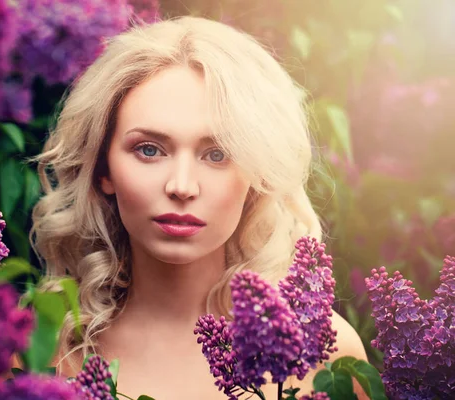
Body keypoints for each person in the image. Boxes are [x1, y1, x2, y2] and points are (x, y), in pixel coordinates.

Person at [29, 16, 368, 400]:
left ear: (257, 174)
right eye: (149, 150)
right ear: (103, 168)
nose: (181, 186)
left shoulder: (328, 354)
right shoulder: (40, 349)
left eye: (217, 154)